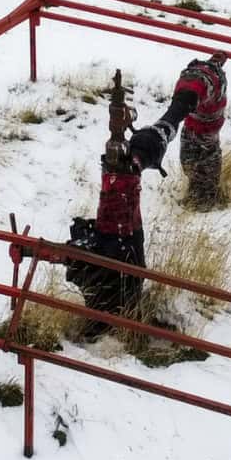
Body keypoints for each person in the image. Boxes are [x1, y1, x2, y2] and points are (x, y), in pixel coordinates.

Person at [63, 72, 146, 327]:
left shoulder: (121, 173)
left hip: (118, 236)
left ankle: (109, 317)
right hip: (121, 238)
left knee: (118, 266)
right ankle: (116, 318)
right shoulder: (124, 169)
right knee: (122, 270)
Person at [144, 50, 228, 207]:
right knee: (190, 162)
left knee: (204, 169)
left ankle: (205, 202)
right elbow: (182, 103)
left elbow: (184, 102)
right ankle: (200, 197)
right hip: (195, 125)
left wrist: (167, 123)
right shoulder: (197, 82)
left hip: (205, 131)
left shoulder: (203, 83)